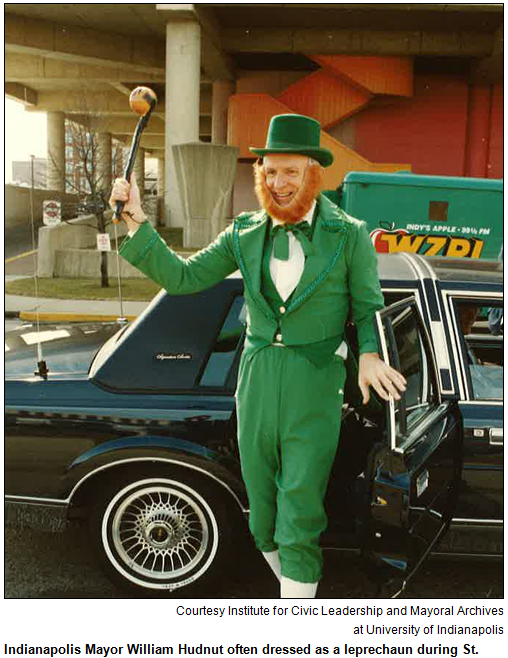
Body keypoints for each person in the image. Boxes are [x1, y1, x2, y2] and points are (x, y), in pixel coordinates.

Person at [110, 113, 406, 599]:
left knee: (299, 513)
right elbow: (183, 279)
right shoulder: (244, 232)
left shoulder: (349, 233)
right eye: (269, 171)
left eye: (290, 171)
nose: (279, 182)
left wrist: (370, 355)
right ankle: (297, 594)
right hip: (257, 378)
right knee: (262, 520)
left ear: (314, 172)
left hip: (315, 380)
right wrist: (138, 222)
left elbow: (369, 305)